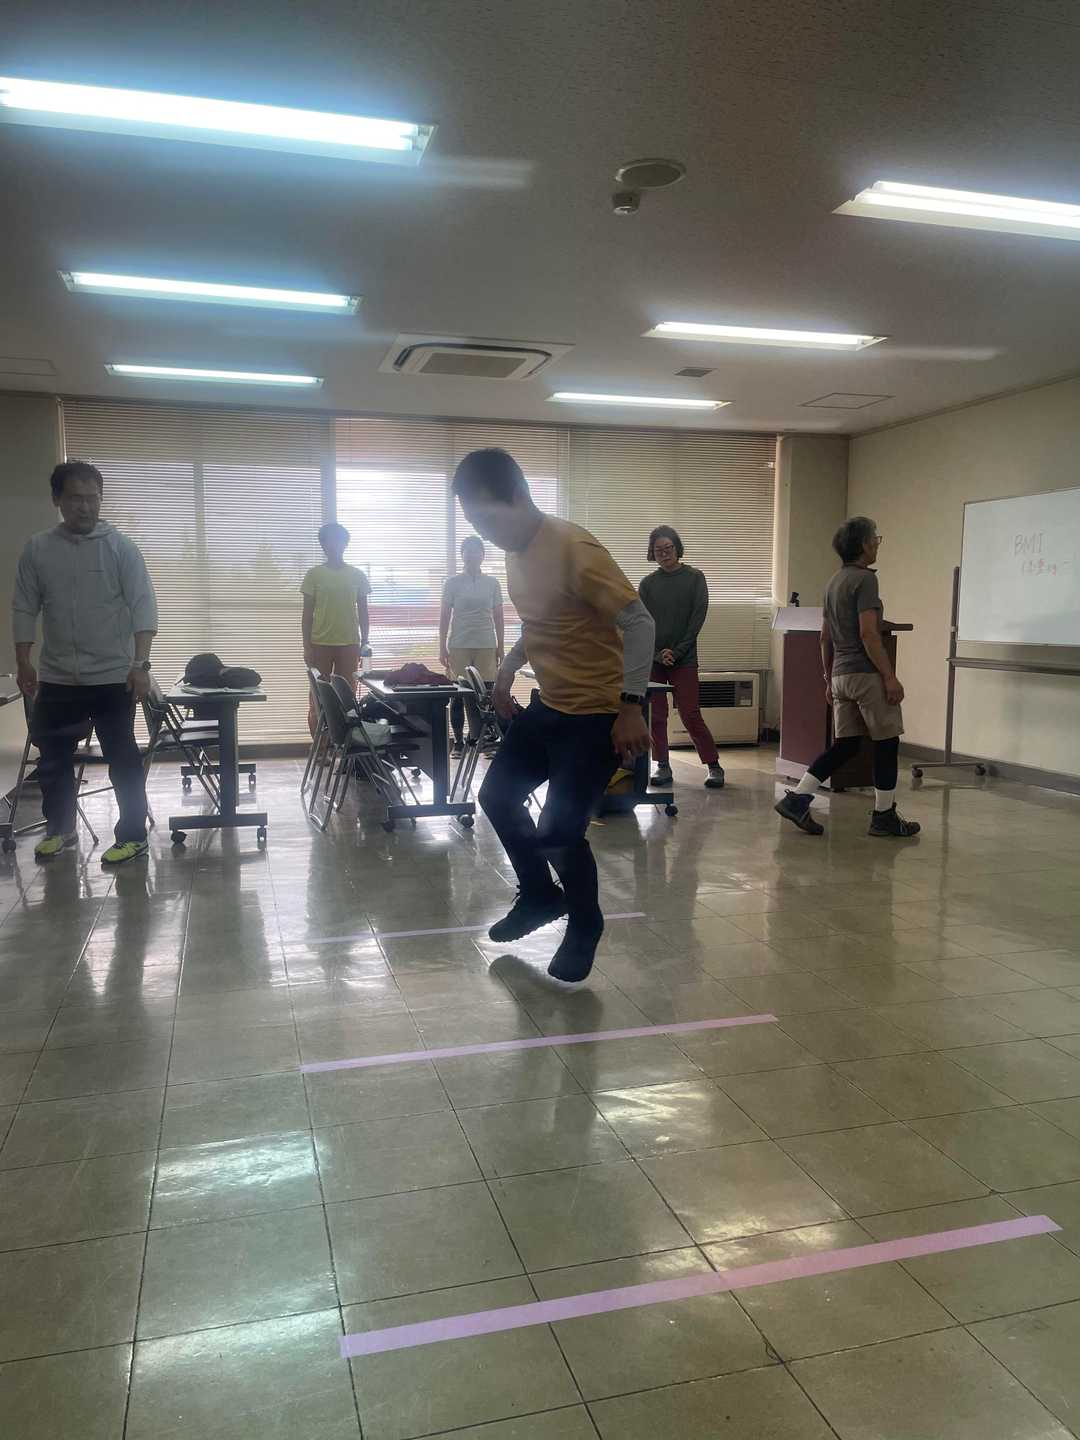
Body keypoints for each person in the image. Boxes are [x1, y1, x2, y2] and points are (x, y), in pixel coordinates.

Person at [452, 448, 655, 983]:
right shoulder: (515, 553)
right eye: (474, 522)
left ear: (519, 496)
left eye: (488, 517)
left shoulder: (573, 548)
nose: (485, 532)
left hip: (598, 716)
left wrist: (631, 706)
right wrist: (506, 670)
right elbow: (541, 622)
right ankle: (541, 895)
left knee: (560, 831)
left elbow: (640, 623)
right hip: (550, 705)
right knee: (497, 797)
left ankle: (585, 923)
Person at [12, 461, 158, 864]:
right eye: (75, 498)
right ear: (56, 499)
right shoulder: (39, 549)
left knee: (122, 759)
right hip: (58, 676)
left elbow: (143, 607)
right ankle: (60, 829)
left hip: (112, 676)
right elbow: (24, 607)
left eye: (93, 498)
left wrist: (141, 664)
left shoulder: (120, 548)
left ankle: (133, 836)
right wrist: (23, 660)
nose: (85, 507)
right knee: (53, 758)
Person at [775, 515, 920, 839]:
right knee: (887, 743)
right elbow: (869, 634)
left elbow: (824, 637)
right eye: (875, 539)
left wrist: (829, 679)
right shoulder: (865, 580)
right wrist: (889, 676)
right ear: (865, 545)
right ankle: (884, 816)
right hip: (866, 675)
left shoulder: (833, 582)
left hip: (840, 675)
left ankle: (798, 799)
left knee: (846, 745)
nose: (877, 544)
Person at [639, 525, 725, 791]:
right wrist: (657, 654)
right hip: (654, 660)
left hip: (684, 659)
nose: (664, 553)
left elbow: (697, 620)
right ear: (652, 553)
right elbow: (641, 622)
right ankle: (662, 765)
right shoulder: (648, 584)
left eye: (668, 548)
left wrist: (676, 652)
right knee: (657, 716)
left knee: (690, 713)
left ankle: (713, 765)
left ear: (677, 548)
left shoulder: (695, 578)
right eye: (658, 550)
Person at [301, 522, 370, 736]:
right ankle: (321, 746)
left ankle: (344, 745)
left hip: (350, 643)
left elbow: (364, 612)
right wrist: (307, 646)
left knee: (347, 698)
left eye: (338, 540)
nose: (333, 544)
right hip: (320, 643)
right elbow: (307, 614)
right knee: (318, 698)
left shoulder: (357, 575)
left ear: (345, 544)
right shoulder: (314, 574)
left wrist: (365, 642)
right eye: (328, 540)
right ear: (323, 544)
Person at [439, 535, 505, 756]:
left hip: (486, 644)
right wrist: (441, 646)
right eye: (468, 550)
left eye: (476, 550)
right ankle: (458, 743)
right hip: (459, 644)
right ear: (462, 554)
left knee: (485, 696)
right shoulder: (452, 583)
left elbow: (499, 617)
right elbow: (444, 616)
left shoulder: (492, 583)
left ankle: (485, 740)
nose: (472, 554)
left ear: (483, 555)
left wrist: (501, 646)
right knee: (458, 695)